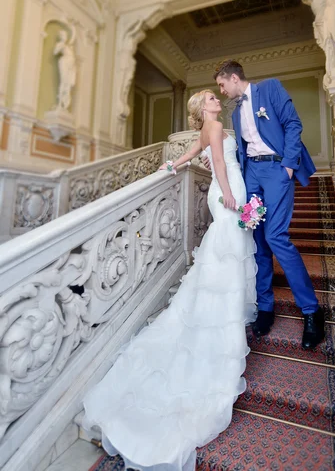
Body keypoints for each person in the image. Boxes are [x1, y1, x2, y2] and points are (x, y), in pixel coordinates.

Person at [83, 90, 257, 471]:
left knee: (224, 256)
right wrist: (230, 196)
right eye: (211, 96)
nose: (215, 99)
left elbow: (191, 155)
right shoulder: (213, 125)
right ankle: (220, 321)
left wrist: (171, 167)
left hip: (226, 194)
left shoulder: (211, 128)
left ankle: (214, 313)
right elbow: (221, 168)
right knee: (226, 257)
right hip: (227, 195)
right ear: (202, 108)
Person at [213, 59, 325, 349]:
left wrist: (288, 166)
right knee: (258, 240)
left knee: (276, 237)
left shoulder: (271, 88)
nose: (222, 91)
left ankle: (312, 312)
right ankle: (265, 308)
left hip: (277, 169)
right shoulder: (236, 113)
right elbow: (242, 148)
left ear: (234, 78)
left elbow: (292, 123)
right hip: (253, 175)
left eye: (222, 85)